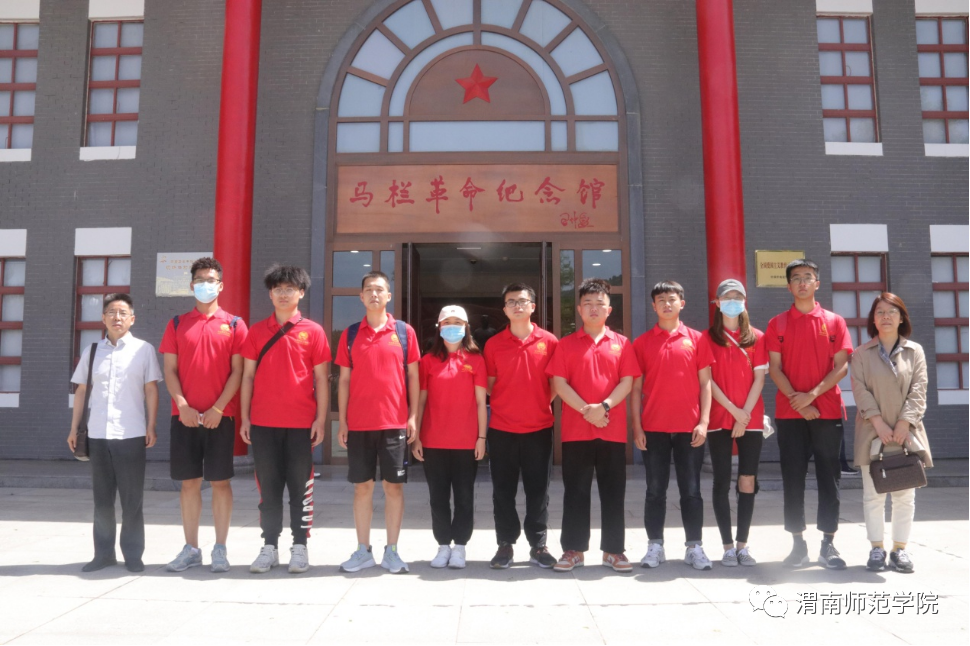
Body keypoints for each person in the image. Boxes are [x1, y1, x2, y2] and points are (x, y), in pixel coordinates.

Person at [240, 265, 330, 574]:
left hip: (301, 424)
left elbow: (322, 379)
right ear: (270, 293)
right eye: (277, 289)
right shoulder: (256, 332)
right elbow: (247, 377)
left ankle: (300, 546)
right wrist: (245, 418)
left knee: (300, 488)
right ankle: (269, 546)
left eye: (289, 288)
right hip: (263, 423)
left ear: (301, 293)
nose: (283, 294)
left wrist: (320, 419)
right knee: (268, 488)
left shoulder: (313, 331)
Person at [161, 257, 248, 574]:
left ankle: (220, 548)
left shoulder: (235, 324)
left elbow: (238, 372)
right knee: (189, 484)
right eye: (200, 280)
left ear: (220, 285)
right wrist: (182, 405)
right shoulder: (176, 323)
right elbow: (169, 369)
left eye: (211, 280)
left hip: (220, 418)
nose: (205, 285)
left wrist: (218, 408)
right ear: (191, 285)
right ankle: (191, 548)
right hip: (184, 417)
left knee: (220, 482)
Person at [546, 278, 640, 573]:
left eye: (600, 303)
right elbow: (559, 384)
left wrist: (604, 408)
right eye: (588, 303)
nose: (594, 308)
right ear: (579, 309)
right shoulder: (566, 345)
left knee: (613, 492)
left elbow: (627, 382)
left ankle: (614, 551)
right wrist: (588, 411)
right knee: (576, 491)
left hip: (612, 430)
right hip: (576, 432)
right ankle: (573, 550)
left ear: (609, 309)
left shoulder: (622, 344)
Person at [767, 259, 854, 570]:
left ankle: (828, 544)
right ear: (788, 286)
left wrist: (812, 396)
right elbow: (774, 368)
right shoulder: (777, 323)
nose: (802, 282)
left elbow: (842, 366)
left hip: (826, 411)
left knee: (830, 477)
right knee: (793, 478)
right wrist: (799, 403)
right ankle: (798, 545)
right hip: (790, 414)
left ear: (817, 283)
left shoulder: (834, 322)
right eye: (796, 278)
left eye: (808, 277)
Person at [68, 293, 162, 573]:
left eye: (122, 313)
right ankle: (103, 554)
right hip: (97, 435)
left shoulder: (143, 350)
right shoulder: (92, 351)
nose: (116, 317)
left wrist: (151, 425)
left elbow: (151, 390)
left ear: (132, 319)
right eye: (111, 312)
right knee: (102, 500)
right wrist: (73, 428)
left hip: (130, 434)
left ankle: (133, 554)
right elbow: (81, 391)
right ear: (103, 318)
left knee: (132, 500)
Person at [335, 271, 420, 575]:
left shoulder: (404, 332)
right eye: (369, 289)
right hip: (359, 424)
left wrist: (412, 416)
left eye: (380, 289)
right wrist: (342, 421)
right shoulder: (350, 334)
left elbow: (414, 376)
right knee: (362, 488)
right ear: (361, 297)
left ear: (388, 296)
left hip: (394, 424)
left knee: (393, 487)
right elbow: (344, 380)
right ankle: (363, 550)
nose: (374, 294)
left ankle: (392, 551)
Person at [632, 281, 715, 571]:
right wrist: (637, 427)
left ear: (682, 303)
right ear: (653, 306)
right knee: (655, 490)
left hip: (689, 428)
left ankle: (694, 547)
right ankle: (655, 545)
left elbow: (706, 384)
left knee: (691, 489)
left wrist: (704, 422)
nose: (667, 304)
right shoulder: (642, 343)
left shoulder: (697, 339)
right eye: (661, 300)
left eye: (672, 299)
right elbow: (635, 389)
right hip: (653, 427)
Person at [851, 293, 932, 573]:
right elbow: (860, 390)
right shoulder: (861, 354)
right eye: (880, 312)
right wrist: (879, 423)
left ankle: (900, 549)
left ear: (901, 318)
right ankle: (876, 548)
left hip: (905, 434)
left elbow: (919, 389)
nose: (886, 316)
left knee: (904, 495)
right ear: (873, 319)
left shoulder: (915, 351)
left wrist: (904, 423)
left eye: (892, 311)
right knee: (873, 495)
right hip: (873, 433)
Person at [484, 283, 559, 569]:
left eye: (522, 301)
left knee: (538, 491)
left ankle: (538, 545)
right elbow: (490, 385)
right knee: (502, 491)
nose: (517, 305)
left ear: (533, 306)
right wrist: (509, 403)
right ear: (504, 309)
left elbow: (555, 384)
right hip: (502, 429)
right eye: (511, 302)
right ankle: (505, 544)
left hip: (538, 428)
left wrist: (537, 403)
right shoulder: (493, 344)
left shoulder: (549, 341)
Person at [413, 306, 487, 569]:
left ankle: (461, 547)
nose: (452, 326)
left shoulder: (476, 360)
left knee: (465, 497)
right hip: (433, 441)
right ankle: (443, 545)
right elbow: (420, 402)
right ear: (439, 327)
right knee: (438, 497)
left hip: (466, 442)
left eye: (458, 322)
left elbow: (481, 403)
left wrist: (481, 438)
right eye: (447, 322)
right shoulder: (427, 361)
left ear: (466, 327)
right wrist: (417, 437)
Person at [701, 279, 767, 567]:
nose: (733, 301)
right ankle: (727, 546)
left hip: (751, 418)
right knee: (721, 479)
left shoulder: (757, 337)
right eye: (727, 296)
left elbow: (759, 379)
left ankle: (743, 544)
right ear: (717, 303)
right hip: (719, 417)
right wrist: (733, 411)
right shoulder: (706, 338)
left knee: (748, 479)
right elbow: (707, 381)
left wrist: (745, 414)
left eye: (737, 296)